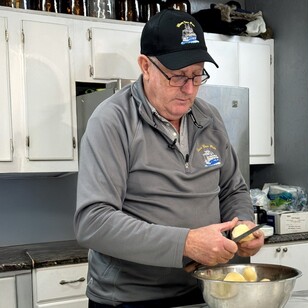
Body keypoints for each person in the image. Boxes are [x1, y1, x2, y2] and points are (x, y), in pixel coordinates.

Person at [74, 9, 264, 308]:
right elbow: (93, 221)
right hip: (130, 299)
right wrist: (186, 243)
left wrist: (244, 226)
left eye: (197, 74)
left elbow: (232, 189)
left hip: (202, 290)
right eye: (177, 76)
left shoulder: (209, 118)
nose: (189, 89)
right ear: (145, 66)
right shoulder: (112, 121)